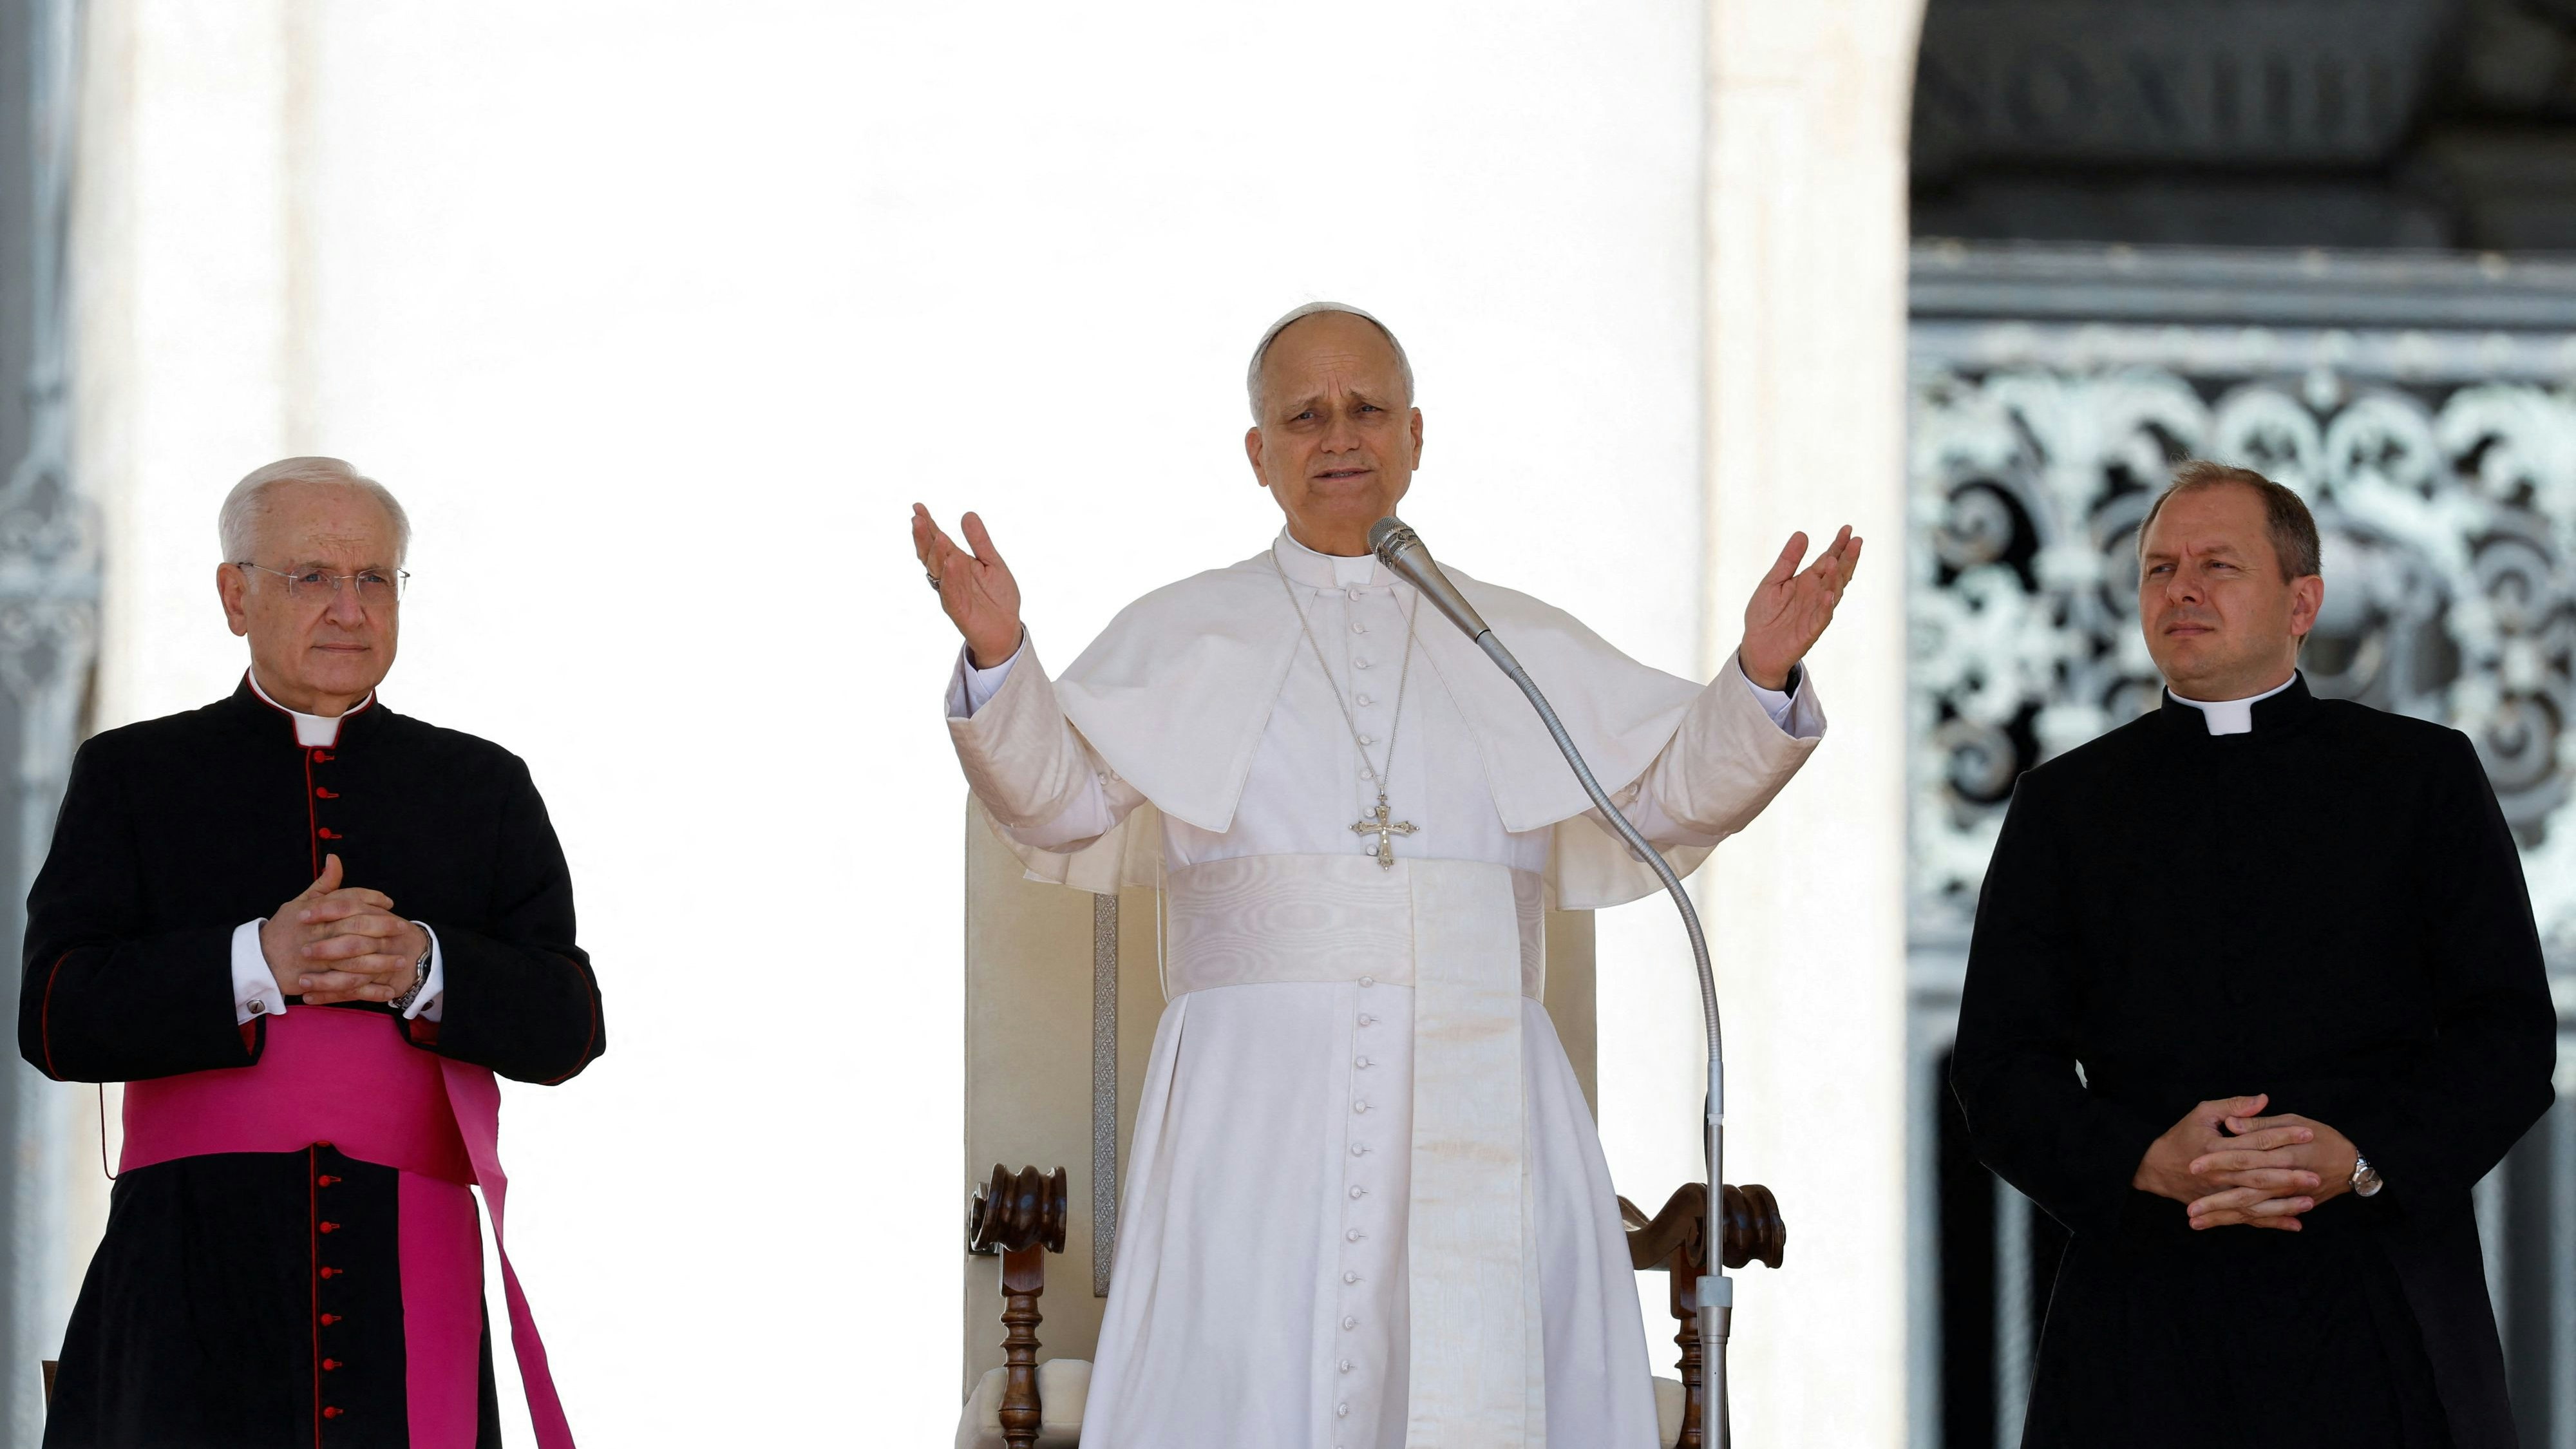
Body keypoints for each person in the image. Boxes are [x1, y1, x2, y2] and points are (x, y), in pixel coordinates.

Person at [914, 303, 1861, 1448]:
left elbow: (1657, 803)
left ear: (1416, 435)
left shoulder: (1510, 635)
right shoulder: (1185, 633)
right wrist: (1003, 659)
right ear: (1258, 454)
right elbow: (1059, 803)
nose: (1339, 435)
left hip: (1491, 1103)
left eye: (1366, 408)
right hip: (1252, 1118)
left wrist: (1759, 674)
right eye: (1303, 414)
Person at [1951, 460, 2557, 1448]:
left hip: (2378, 1303)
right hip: (2143, 1315)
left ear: (2302, 601)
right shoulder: (2064, 806)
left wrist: (2359, 1154)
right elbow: (1999, 1069)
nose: (2180, 588)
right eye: (2158, 568)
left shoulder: (2423, 777)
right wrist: (2146, 1159)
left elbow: (2509, 1037)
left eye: (2218, 565)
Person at [21, 457, 604, 1448]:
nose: (348, 607)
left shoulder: (481, 786)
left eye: (374, 578)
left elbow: (568, 1020)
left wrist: (426, 966)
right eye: (312, 578)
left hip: (405, 1269)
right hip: (188, 1272)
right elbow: (55, 1013)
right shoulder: (135, 775)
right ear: (234, 594)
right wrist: (258, 961)